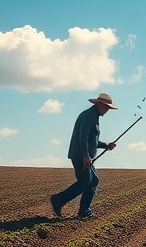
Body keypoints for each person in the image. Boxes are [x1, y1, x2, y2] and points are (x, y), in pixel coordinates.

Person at [50, 92, 118, 220]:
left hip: (83, 155)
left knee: (93, 180)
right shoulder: (89, 116)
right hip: (80, 155)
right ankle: (58, 200)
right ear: (100, 104)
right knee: (85, 181)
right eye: (107, 107)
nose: (108, 110)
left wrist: (106, 145)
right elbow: (83, 137)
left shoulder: (94, 116)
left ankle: (84, 210)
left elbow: (92, 141)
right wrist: (85, 155)